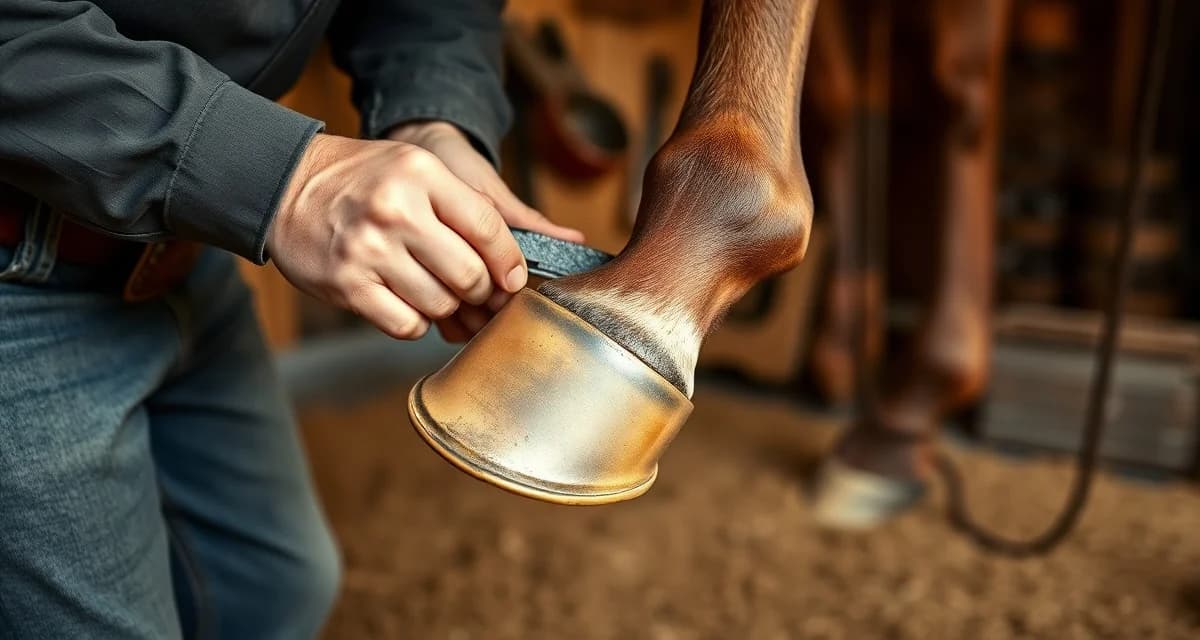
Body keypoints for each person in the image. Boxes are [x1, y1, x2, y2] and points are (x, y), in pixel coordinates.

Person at [0, 0, 580, 637]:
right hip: (21, 246)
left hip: (181, 235)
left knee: (276, 584)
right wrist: (285, 180)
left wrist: (433, 119)